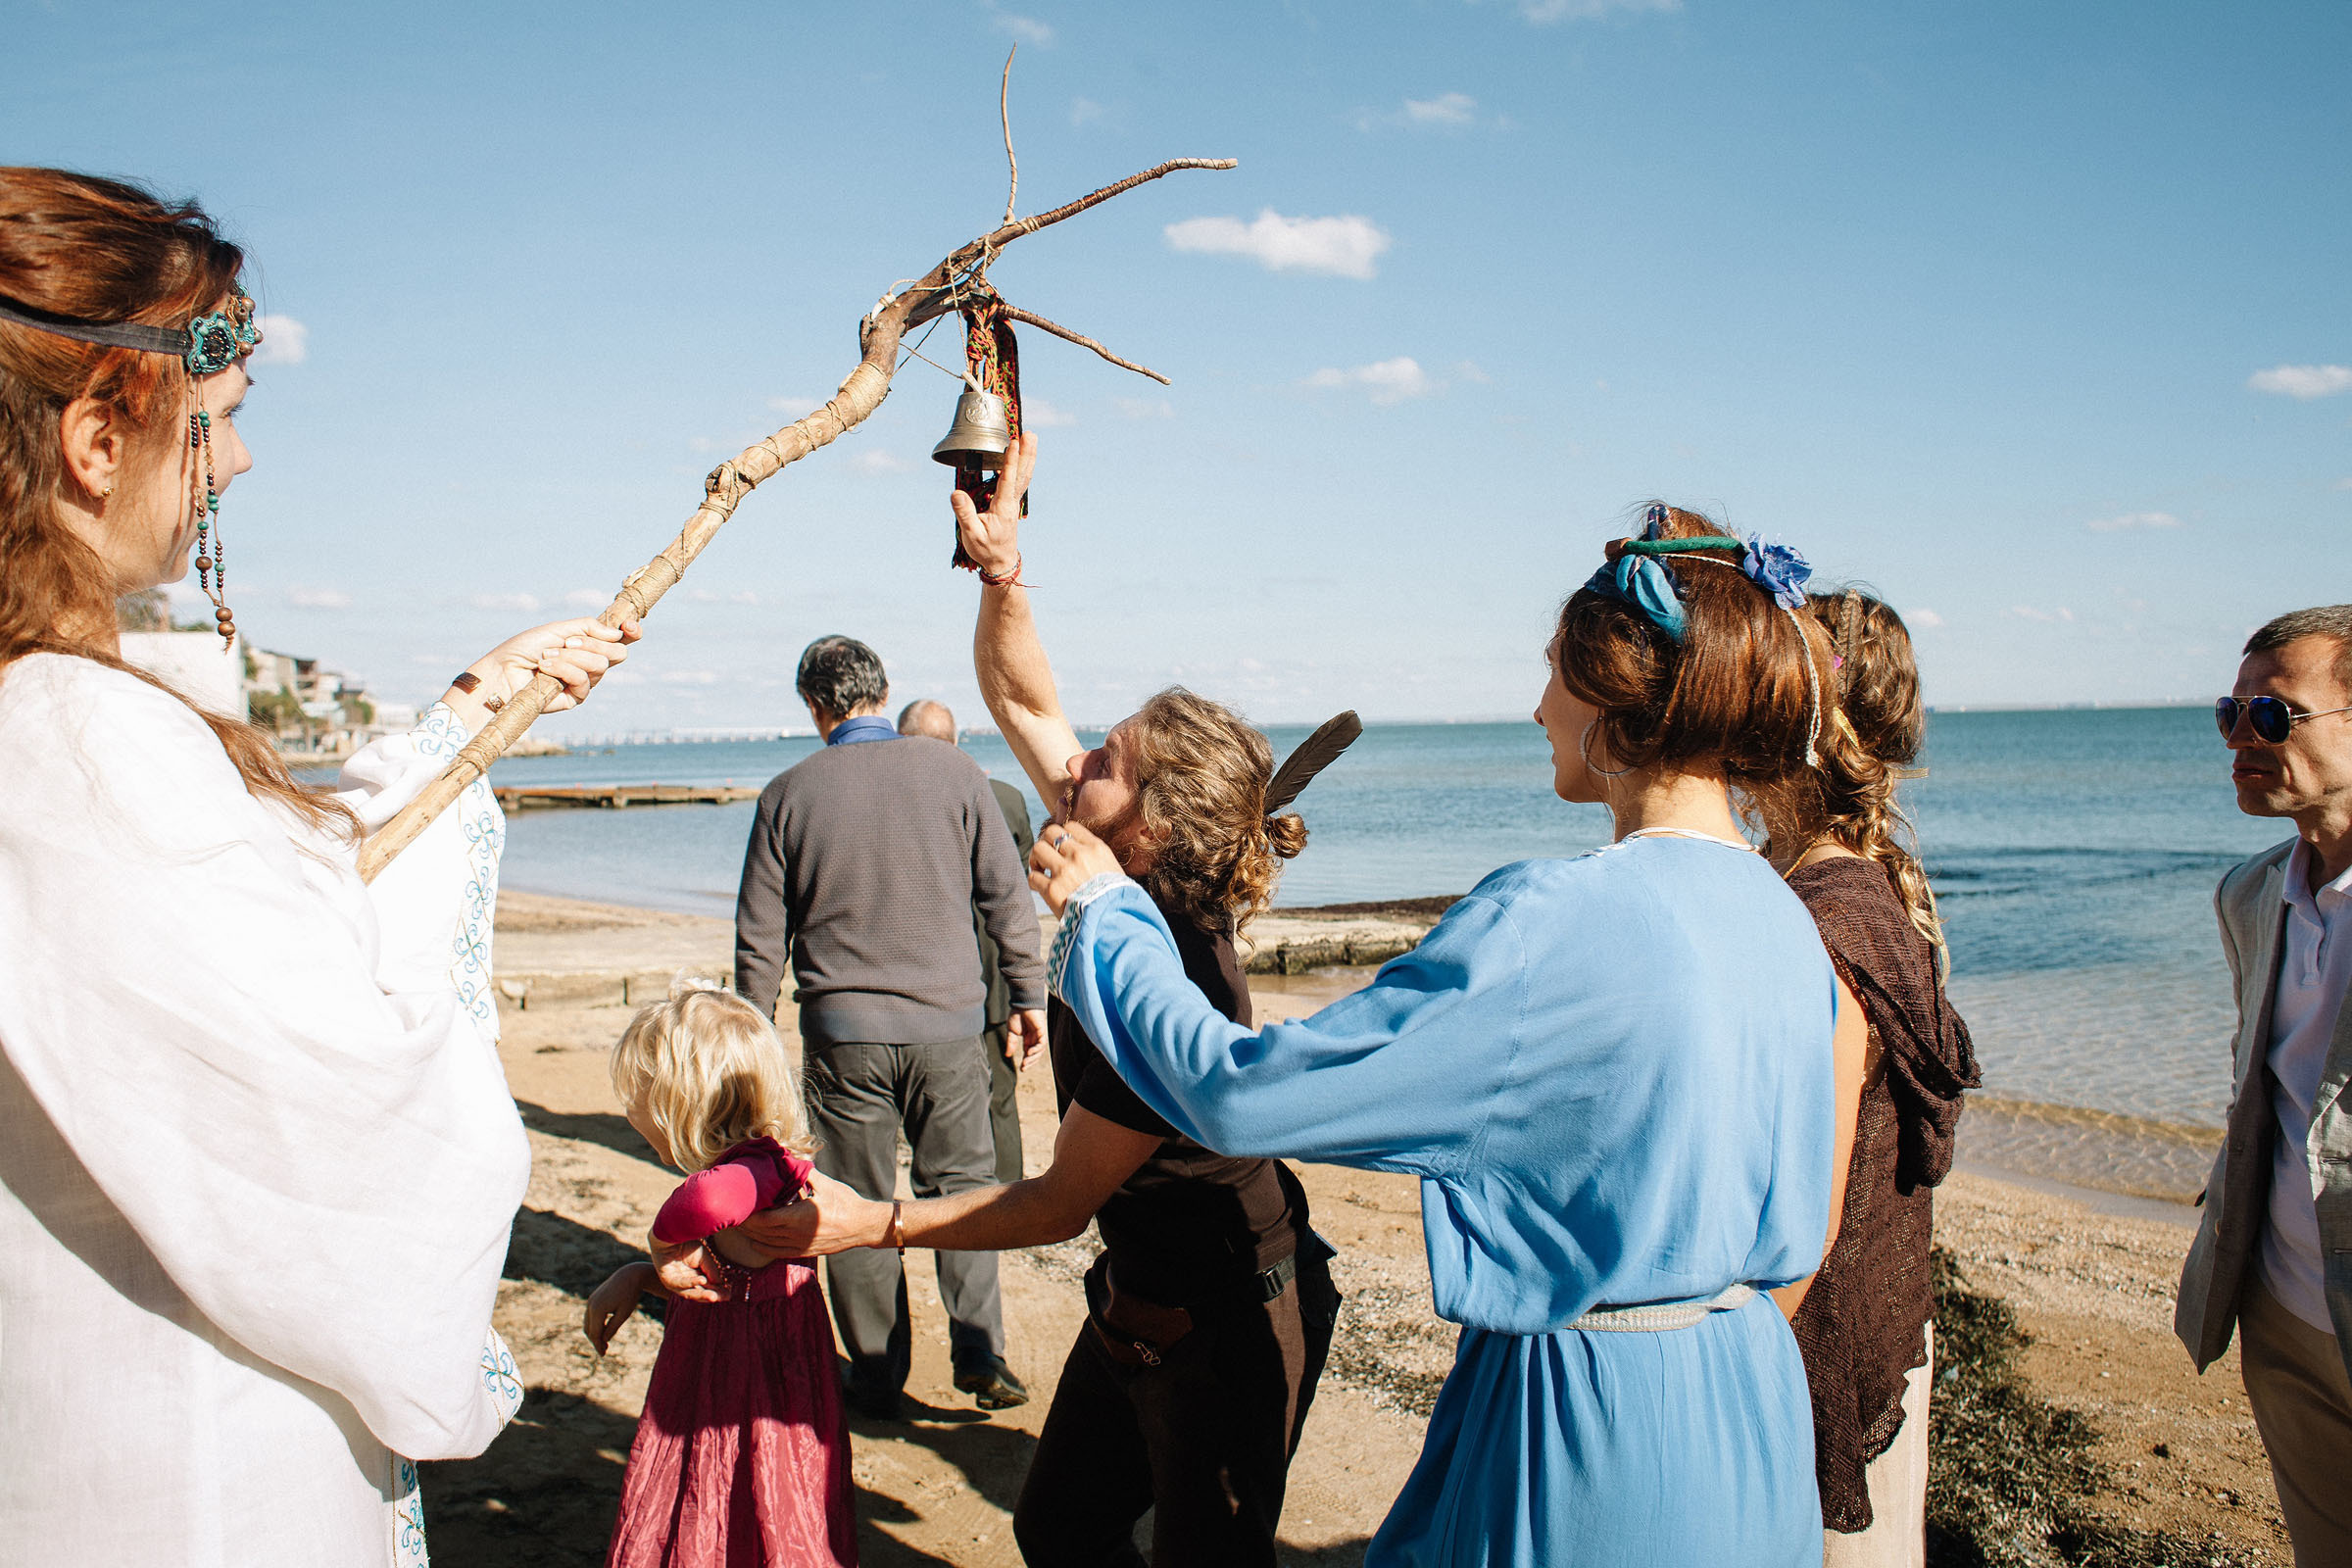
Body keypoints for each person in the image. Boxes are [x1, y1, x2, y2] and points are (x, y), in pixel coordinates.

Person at [1030, 500, 1870, 1568]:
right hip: (1752, 1405)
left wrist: (1107, 915)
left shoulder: (1549, 922)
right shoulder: (1787, 921)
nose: (1534, 708)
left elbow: (1244, 1090)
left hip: (1591, 1429)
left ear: (1615, 700)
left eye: (1553, 674)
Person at [0, 168, 636, 1564]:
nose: (234, 467)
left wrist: (458, 727)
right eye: (217, 427)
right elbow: (345, 1111)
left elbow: (241, 916)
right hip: (174, 1473)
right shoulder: (74, 742)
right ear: (103, 432)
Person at [741, 436, 1345, 1568]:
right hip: (1138, 1294)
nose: (1073, 763)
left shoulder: (1172, 972)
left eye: (1104, 758)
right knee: (1060, 1527)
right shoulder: (1121, 864)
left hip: (1229, 1312)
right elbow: (1021, 694)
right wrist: (1003, 570)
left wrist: (869, 1221)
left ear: (1152, 820)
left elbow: (1057, 1201)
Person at [733, 635, 1044, 1415]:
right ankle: (979, 1351)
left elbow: (759, 938)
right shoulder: (955, 772)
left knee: (855, 1201)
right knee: (966, 1188)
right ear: (882, 691)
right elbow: (1006, 898)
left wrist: (750, 1031)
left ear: (814, 707)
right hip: (948, 1028)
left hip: (843, 1036)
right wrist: (1029, 995)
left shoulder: (787, 793)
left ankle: (876, 1374)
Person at [1766, 590, 1981, 1566]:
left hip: (1826, 1338)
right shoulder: (1864, 875)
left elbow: (1808, 1191)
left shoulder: (1822, 912)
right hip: (1881, 1317)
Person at [2176, 604, 2352, 1565]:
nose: (2243, 737)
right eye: (2230, 714)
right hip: (2282, 1316)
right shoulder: (2247, 894)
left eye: (2275, 716)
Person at [583, 977, 856, 1568]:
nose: (631, 1116)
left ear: (685, 1105)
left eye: (641, 1101)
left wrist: (659, 1243)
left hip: (743, 1389)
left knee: (738, 1509)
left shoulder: (756, 1171)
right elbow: (730, 1285)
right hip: (749, 1369)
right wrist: (639, 1276)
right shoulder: (765, 1166)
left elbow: (703, 1206)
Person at [899, 696, 1037, 1183]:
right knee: (1000, 1095)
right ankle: (1010, 1192)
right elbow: (1015, 894)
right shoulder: (1004, 796)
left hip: (931, 977)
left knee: (938, 1101)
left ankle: (957, 1189)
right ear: (956, 743)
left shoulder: (899, 804)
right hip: (997, 970)